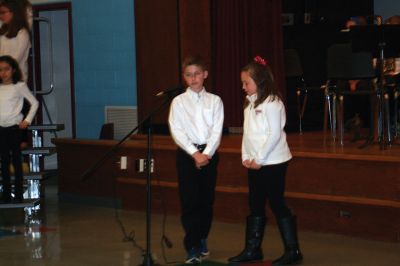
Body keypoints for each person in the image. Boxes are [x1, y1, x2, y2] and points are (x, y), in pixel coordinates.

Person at [228, 56, 302, 265]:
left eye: (246, 83)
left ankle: (293, 250)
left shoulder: (272, 103)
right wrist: (246, 156)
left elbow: (274, 135)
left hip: (273, 161)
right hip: (255, 162)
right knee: (255, 204)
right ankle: (253, 249)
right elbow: (247, 134)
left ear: (259, 81)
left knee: (277, 203)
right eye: (243, 83)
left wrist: (259, 158)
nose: (243, 87)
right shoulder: (249, 104)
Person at [168, 55, 224, 264]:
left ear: (205, 75)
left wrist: (206, 153)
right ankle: (191, 246)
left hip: (209, 154)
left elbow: (217, 130)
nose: (193, 79)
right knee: (189, 200)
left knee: (206, 201)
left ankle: (201, 238)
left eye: (197, 74)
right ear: (184, 77)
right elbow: (177, 131)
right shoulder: (178, 102)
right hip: (187, 154)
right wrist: (194, 153)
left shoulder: (215, 101)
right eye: (189, 75)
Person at [0, 55, 38, 203]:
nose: (3, 73)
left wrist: (27, 120)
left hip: (14, 128)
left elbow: (34, 103)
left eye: (6, 69)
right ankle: (6, 194)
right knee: (3, 161)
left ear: (13, 70)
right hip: (1, 129)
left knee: (16, 160)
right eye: (0, 70)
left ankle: (19, 194)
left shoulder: (19, 86)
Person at [0, 0, 31, 82]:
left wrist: (4, 70)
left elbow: (16, 59)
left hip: (17, 79)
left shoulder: (22, 33)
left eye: (3, 12)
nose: (1, 16)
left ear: (13, 12)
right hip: (3, 78)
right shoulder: (3, 33)